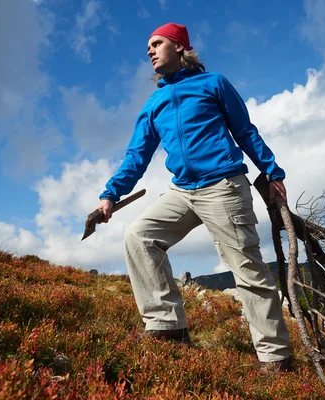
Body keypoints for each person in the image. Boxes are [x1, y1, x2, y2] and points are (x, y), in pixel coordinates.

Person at [93, 22, 292, 372]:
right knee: (139, 237)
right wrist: (110, 195)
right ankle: (168, 327)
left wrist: (273, 172)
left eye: (157, 44)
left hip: (224, 186)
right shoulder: (153, 104)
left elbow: (245, 131)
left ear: (180, 47)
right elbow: (136, 157)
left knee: (246, 267)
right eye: (148, 48)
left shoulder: (212, 83)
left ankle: (276, 357)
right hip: (182, 191)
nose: (150, 51)